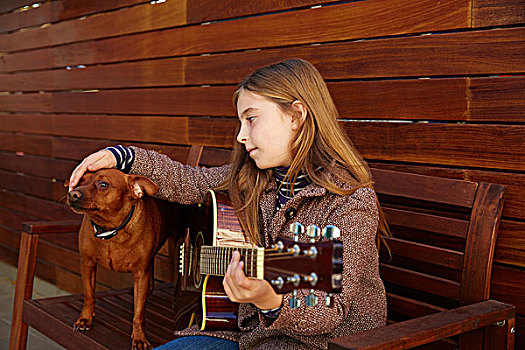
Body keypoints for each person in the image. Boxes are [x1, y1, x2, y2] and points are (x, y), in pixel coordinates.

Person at [68, 59, 388, 350]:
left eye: (251, 120)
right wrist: (123, 157)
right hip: (243, 332)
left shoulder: (349, 201)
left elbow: (332, 309)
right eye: (240, 123)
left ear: (296, 116)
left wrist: (273, 300)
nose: (240, 136)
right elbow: (187, 182)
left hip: (324, 344)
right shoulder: (252, 178)